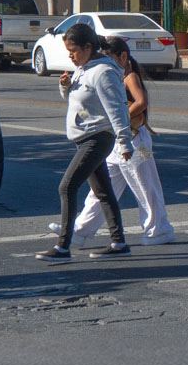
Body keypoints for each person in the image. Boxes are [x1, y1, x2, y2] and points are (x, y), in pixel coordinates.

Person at [50, 36, 176, 246]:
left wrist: (120, 117)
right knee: (100, 192)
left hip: (136, 141)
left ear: (122, 56)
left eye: (108, 57)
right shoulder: (105, 74)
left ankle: (159, 229)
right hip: (116, 141)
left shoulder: (128, 76)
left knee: (146, 187)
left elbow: (141, 102)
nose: (104, 61)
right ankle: (81, 230)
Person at [36, 23, 133, 264]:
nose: (70, 55)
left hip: (98, 138)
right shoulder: (84, 68)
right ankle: (119, 242)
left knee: (66, 187)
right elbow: (77, 102)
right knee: (103, 191)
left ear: (89, 47)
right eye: (68, 51)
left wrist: (125, 142)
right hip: (86, 139)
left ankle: (62, 246)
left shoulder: (103, 72)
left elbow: (118, 108)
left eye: (74, 50)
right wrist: (65, 87)